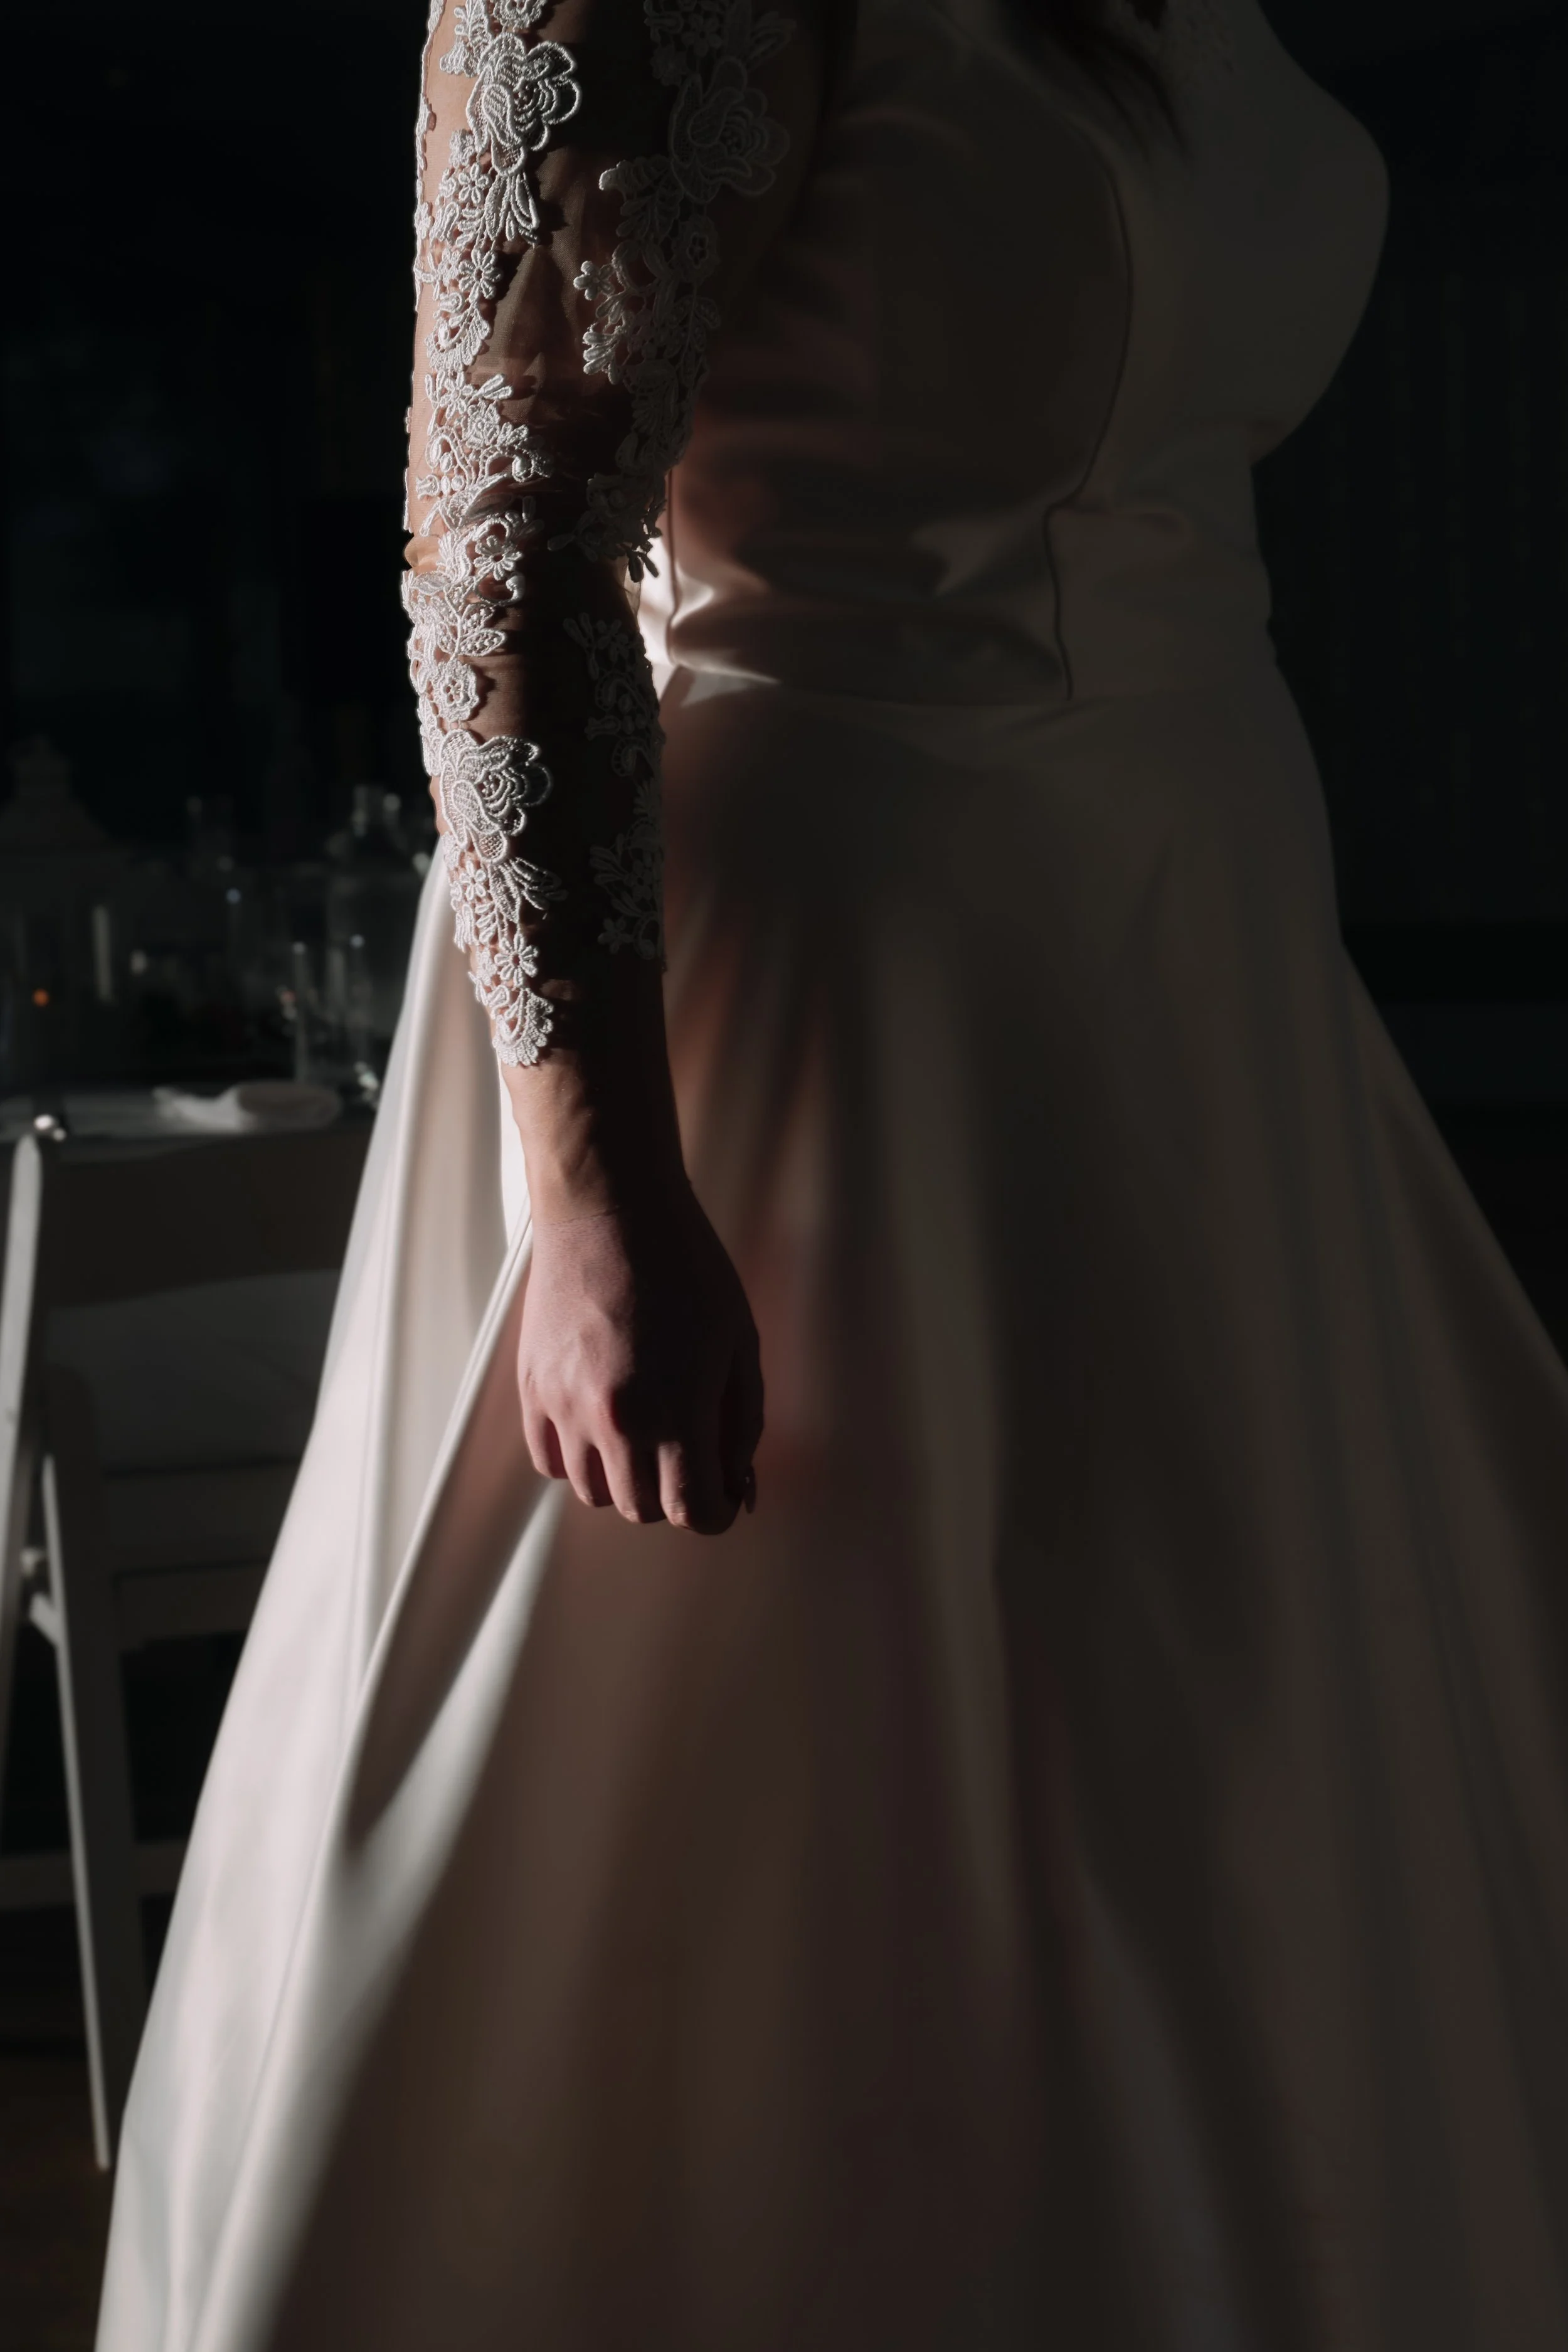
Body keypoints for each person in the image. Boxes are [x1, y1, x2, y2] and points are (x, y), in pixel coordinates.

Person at [97, 0, 1568, 2343]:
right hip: (838, 1018)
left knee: (1237, 1805)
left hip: (1192, 993)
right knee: (832, 1841)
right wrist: (594, 1189)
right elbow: (505, 541)